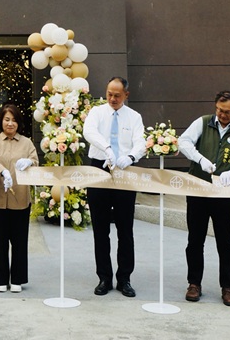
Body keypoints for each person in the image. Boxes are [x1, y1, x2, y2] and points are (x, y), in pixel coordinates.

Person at [177, 90, 230, 307]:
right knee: (195, 240)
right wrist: (200, 159)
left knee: (225, 242)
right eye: (221, 110)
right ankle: (194, 284)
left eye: (228, 112)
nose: (223, 115)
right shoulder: (202, 123)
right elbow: (183, 142)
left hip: (225, 194)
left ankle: (228, 287)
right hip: (199, 189)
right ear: (215, 106)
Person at [83, 76, 146, 297]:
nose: (112, 98)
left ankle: (124, 278)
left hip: (124, 171)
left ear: (126, 95)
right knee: (100, 229)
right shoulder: (97, 112)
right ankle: (104, 278)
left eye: (117, 95)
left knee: (125, 229)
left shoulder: (134, 117)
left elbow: (140, 141)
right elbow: (89, 132)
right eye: (109, 94)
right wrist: (107, 148)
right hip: (100, 167)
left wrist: (131, 156)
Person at [0, 103, 39, 293]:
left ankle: (17, 279)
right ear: (1, 121)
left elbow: (35, 161)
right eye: (7, 119)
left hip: (20, 198)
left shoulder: (27, 142)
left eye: (14, 120)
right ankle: (0, 279)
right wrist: (3, 171)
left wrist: (29, 161)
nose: (10, 123)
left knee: (19, 240)